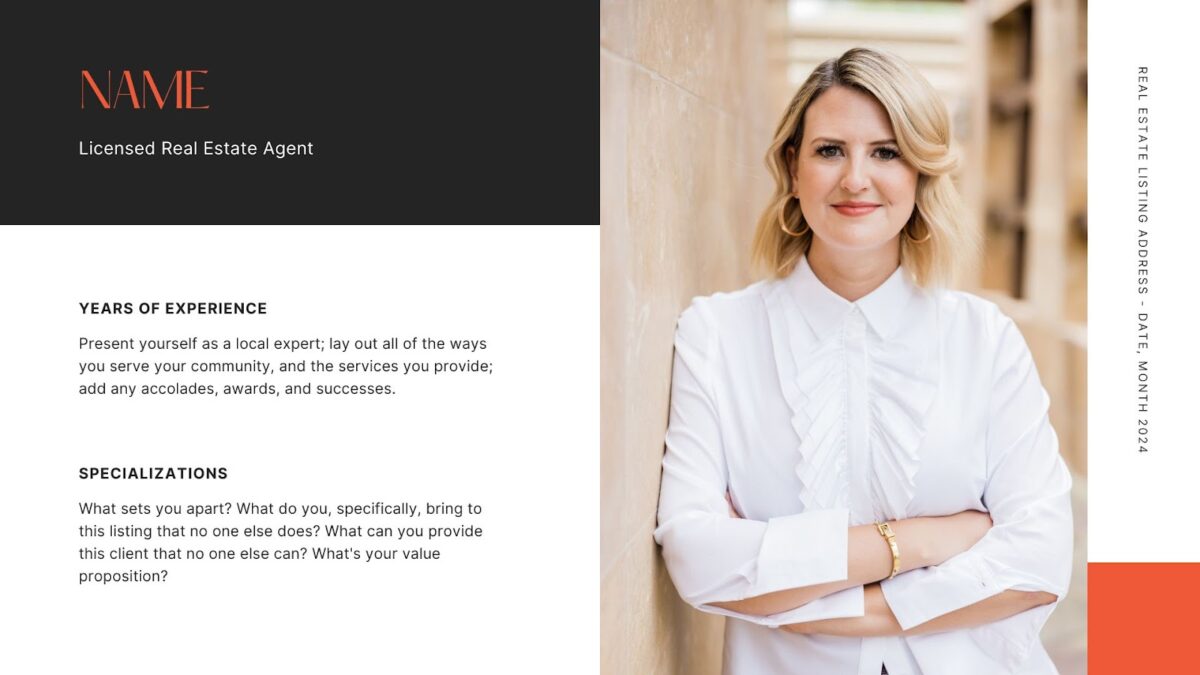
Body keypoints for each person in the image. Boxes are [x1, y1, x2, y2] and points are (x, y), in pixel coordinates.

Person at [653, 48, 1073, 675]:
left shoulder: (985, 340)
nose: (855, 179)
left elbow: (1037, 562)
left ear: (921, 173)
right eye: (829, 151)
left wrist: (787, 596)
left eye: (886, 152)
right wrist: (918, 542)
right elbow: (695, 555)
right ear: (792, 167)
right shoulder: (716, 336)